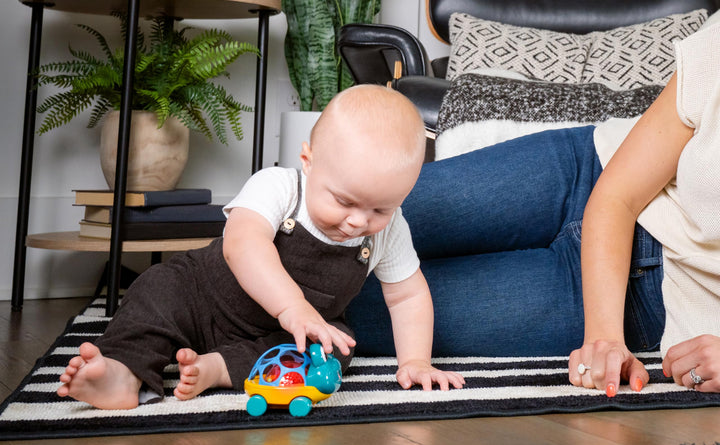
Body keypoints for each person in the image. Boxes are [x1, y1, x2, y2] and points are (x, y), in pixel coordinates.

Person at [347, 12, 720, 397]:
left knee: (341, 307)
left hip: (653, 299)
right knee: (338, 214)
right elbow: (618, 195)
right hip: (590, 172)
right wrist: (603, 337)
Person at [57, 85, 465, 410]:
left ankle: (217, 369)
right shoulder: (281, 187)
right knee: (155, 291)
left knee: (334, 349)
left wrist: (415, 361)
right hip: (202, 297)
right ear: (308, 160)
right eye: (343, 201)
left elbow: (408, 296)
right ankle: (122, 372)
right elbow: (243, 244)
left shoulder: (389, 231)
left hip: (281, 334)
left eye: (381, 208)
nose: (359, 221)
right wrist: (293, 307)